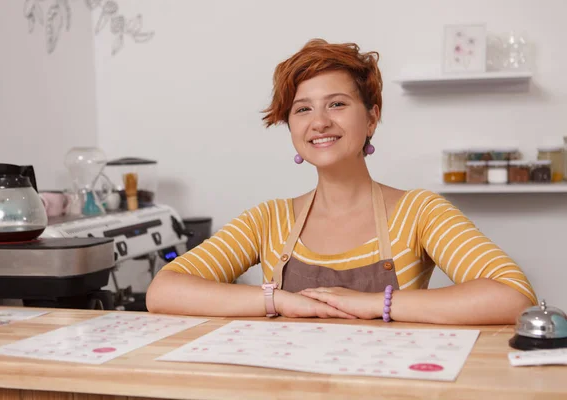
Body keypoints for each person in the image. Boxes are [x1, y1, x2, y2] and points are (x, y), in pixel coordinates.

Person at [146, 39, 536, 324]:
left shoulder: (418, 212)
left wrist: (375, 304)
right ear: (292, 128)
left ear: (371, 118)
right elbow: (164, 291)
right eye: (302, 109)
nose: (319, 122)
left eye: (337, 103)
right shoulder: (268, 220)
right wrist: (276, 300)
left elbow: (513, 297)